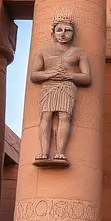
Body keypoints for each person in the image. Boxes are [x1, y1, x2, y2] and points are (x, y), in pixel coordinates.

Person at [30, 17, 91, 163]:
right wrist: (49, 73)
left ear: (73, 34)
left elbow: (87, 77)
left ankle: (60, 152)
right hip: (49, 86)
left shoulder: (79, 53)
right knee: (46, 116)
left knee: (64, 116)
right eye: (59, 30)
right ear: (53, 33)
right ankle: (44, 152)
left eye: (67, 30)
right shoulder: (43, 52)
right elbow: (34, 75)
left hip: (67, 86)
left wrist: (70, 75)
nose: (63, 34)